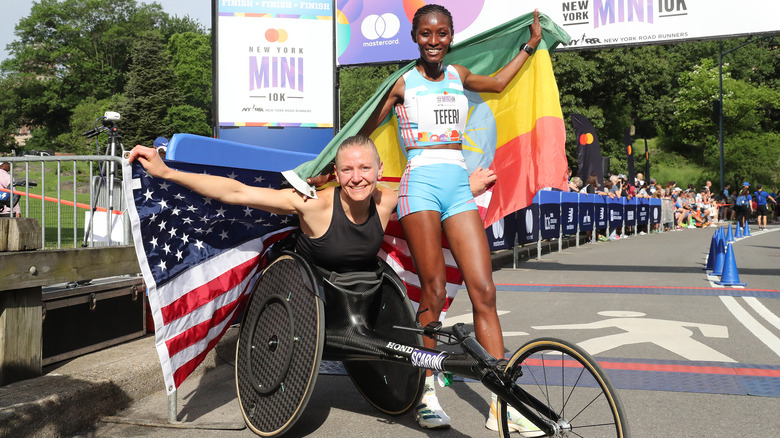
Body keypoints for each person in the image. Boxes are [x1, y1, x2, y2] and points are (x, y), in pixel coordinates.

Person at [358, 5, 544, 435]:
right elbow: (365, 131)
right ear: (414, 36)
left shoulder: (459, 75)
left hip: (458, 187)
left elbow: (498, 83)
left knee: (484, 289)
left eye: (442, 33)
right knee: (435, 289)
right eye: (426, 34)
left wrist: (530, 46)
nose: (434, 40)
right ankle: (426, 391)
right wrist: (342, 163)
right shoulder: (403, 83)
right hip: (419, 185)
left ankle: (503, 400)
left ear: (451, 36)